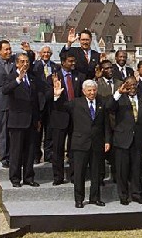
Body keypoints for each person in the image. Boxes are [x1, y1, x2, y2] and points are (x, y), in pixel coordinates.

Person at [53, 79, 110, 208]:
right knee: (79, 173)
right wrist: (56, 96)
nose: (92, 92)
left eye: (94, 90)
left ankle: (95, 198)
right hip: (80, 143)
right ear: (84, 91)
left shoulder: (101, 102)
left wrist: (107, 140)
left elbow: (106, 123)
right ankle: (79, 199)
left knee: (96, 173)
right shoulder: (76, 103)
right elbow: (61, 107)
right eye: (89, 90)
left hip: (97, 143)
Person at [0, 40, 35, 168]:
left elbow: (29, 60)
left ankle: (17, 157)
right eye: (6, 49)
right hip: (2, 102)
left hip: (17, 102)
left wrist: (28, 50)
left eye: (10, 49)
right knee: (3, 131)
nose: (9, 52)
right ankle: (5, 158)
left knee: (16, 131)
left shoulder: (15, 60)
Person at [106, 76, 142, 205]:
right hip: (122, 140)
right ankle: (123, 196)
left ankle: (137, 194)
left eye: (134, 85)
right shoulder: (119, 99)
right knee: (122, 170)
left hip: (138, 140)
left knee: (137, 169)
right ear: (124, 85)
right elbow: (109, 107)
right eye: (129, 85)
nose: (132, 87)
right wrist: (118, 93)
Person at [2, 53, 42, 188]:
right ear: (17, 63)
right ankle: (15, 178)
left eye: (27, 62)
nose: (25, 64)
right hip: (17, 120)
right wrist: (18, 80)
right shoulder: (11, 77)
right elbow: (5, 90)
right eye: (23, 62)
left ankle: (28, 177)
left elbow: (35, 100)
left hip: (31, 120)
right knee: (16, 151)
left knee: (30, 151)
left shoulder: (31, 78)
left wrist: (37, 119)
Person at [47, 52, 84, 186]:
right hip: (59, 117)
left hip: (75, 118)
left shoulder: (79, 76)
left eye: (74, 61)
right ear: (63, 62)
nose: (73, 63)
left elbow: (81, 96)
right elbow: (46, 97)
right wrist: (55, 94)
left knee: (74, 149)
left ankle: (74, 176)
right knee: (57, 149)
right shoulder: (53, 78)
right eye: (70, 61)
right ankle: (58, 177)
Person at [96, 59, 123, 185]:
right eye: (106, 68)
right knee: (101, 152)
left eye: (111, 67)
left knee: (117, 153)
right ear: (101, 70)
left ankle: (117, 176)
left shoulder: (119, 83)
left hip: (118, 122)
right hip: (103, 123)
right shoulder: (97, 84)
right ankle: (100, 177)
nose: (110, 70)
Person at [32, 45, 57, 164]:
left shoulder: (55, 66)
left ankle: (49, 154)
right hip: (39, 103)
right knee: (37, 131)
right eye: (44, 52)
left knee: (50, 130)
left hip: (51, 104)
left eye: (48, 52)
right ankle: (36, 155)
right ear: (40, 53)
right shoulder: (35, 66)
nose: (46, 54)